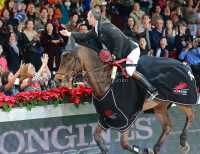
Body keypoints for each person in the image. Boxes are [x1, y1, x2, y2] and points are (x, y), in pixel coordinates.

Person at [60, 8, 158, 102]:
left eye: (88, 17)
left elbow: (119, 38)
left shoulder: (104, 25)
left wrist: (115, 55)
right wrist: (69, 33)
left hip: (130, 49)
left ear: (93, 17)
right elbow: (85, 35)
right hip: (122, 51)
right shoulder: (96, 29)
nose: (87, 18)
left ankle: (151, 89)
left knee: (129, 70)